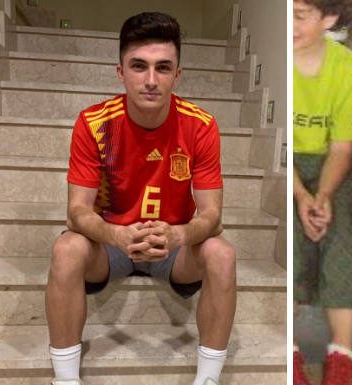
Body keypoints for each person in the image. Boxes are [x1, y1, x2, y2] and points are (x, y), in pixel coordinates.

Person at [45, 12, 235, 385]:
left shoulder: (201, 125)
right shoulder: (94, 123)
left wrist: (179, 235)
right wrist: (116, 235)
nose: (151, 80)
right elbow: (77, 211)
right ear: (121, 72)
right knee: (66, 249)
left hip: (173, 246)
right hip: (110, 244)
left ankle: (208, 380)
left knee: (222, 253)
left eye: (163, 68)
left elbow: (213, 215)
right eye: (139, 66)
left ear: (177, 75)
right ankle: (65, 380)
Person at [292, 0, 352, 384]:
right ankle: (285, 350)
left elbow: (342, 149)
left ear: (329, 18)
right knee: (290, 233)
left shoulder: (350, 68)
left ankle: (342, 352)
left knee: (338, 227)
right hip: (283, 164)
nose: (287, 24)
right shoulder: (275, 62)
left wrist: (320, 196)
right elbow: (275, 146)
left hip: (331, 167)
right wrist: (301, 197)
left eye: (299, 15)